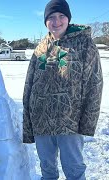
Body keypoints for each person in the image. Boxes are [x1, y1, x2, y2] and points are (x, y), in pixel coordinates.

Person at [22, 0, 103, 179]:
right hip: (42, 122)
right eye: (51, 17)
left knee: (74, 171)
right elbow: (29, 85)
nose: (56, 21)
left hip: (69, 123)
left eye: (61, 16)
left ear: (68, 18)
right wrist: (28, 123)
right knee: (47, 171)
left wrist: (87, 123)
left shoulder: (85, 44)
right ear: (45, 21)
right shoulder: (41, 48)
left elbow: (94, 85)